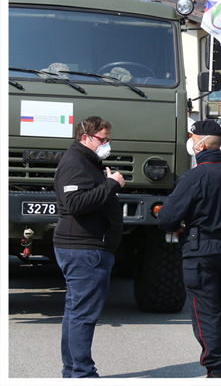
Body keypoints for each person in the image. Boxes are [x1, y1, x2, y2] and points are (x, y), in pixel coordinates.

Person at [158, 120, 221, 378]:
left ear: (202, 144)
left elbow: (166, 217)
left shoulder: (194, 176)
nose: (191, 142)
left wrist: (178, 228)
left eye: (193, 137)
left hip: (200, 251)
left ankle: (216, 370)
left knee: (206, 315)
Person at [53, 116, 124, 378]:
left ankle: (73, 370)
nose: (106, 144)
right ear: (85, 137)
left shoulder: (86, 161)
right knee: (83, 315)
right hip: (84, 248)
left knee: (76, 312)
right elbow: (76, 204)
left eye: (108, 139)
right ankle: (82, 373)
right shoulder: (76, 163)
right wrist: (112, 184)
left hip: (85, 247)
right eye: (102, 139)